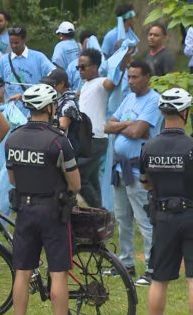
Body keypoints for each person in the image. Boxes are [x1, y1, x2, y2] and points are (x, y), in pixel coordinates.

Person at [6, 84, 81, 315]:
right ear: (49, 108)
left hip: (25, 209)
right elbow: (75, 183)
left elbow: (13, 179)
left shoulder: (13, 138)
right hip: (53, 211)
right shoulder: (58, 141)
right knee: (58, 272)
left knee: (22, 271)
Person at [104, 60, 161, 286]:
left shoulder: (154, 100)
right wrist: (128, 123)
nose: (130, 81)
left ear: (147, 77)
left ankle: (152, 267)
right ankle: (125, 263)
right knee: (123, 219)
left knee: (144, 219)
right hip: (120, 168)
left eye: (135, 77)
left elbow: (139, 132)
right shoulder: (128, 98)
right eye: (129, 77)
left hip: (140, 170)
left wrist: (124, 127)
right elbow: (107, 126)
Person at [141, 88, 193, 315]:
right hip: (191, 214)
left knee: (159, 278)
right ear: (185, 113)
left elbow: (145, 182)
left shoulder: (149, 147)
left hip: (163, 217)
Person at [77, 48, 118, 208]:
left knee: (78, 175)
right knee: (92, 178)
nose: (80, 70)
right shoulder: (86, 84)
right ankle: (100, 214)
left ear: (95, 67)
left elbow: (111, 83)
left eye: (83, 67)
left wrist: (121, 62)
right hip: (86, 138)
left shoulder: (101, 82)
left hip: (96, 138)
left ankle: (98, 212)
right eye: (78, 67)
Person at [0, 26, 56, 115]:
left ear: (24, 40)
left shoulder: (38, 57)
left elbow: (54, 74)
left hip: (33, 112)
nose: (13, 46)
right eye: (11, 43)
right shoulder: (3, 60)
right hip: (11, 113)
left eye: (16, 43)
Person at [41, 68, 82, 156]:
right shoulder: (56, 100)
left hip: (68, 151)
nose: (48, 88)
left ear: (62, 84)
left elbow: (61, 127)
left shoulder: (68, 102)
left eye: (51, 85)